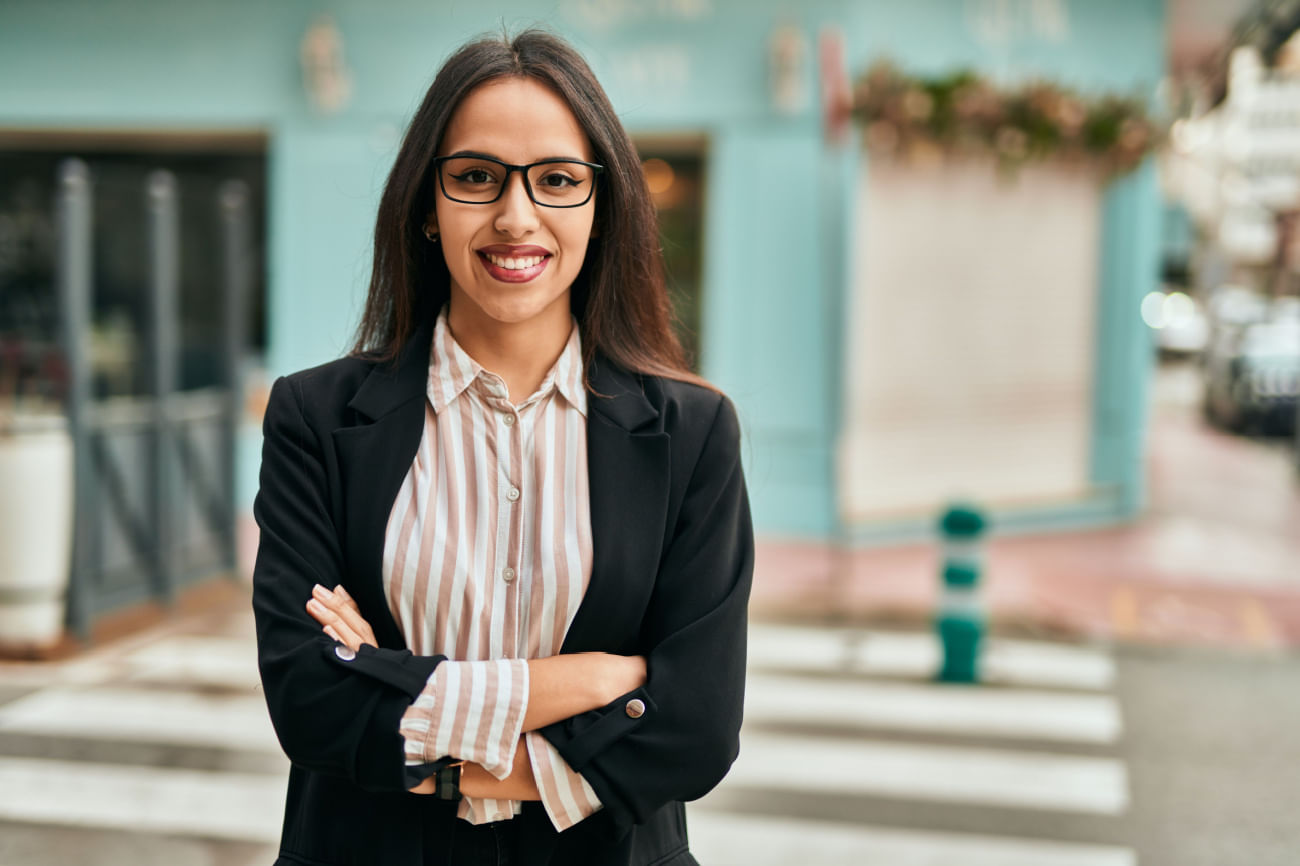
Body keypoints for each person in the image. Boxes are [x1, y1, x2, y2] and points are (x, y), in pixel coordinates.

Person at [251, 28, 753, 866]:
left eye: (556, 180)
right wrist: (596, 682)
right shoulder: (316, 418)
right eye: (476, 177)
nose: (515, 217)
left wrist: (399, 691)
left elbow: (694, 731)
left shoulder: (691, 433)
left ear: (601, 207)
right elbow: (312, 703)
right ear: (426, 206)